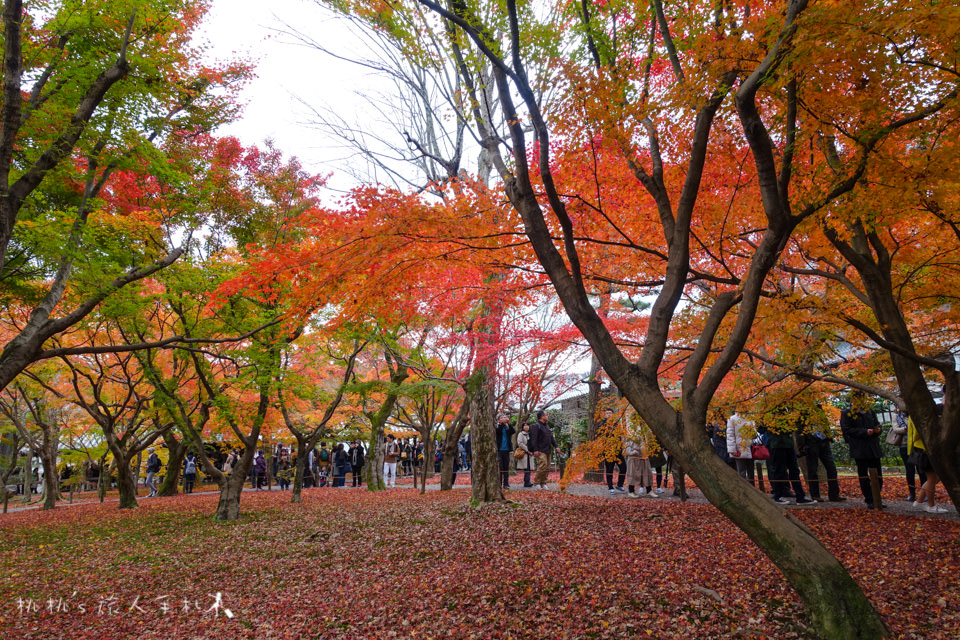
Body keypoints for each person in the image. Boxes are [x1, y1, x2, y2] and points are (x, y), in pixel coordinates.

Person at [840, 391, 885, 509]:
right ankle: (869, 499)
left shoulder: (869, 410)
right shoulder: (847, 413)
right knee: (864, 475)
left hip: (873, 446)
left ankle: (877, 497)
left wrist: (877, 430)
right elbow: (847, 430)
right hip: (859, 447)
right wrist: (864, 432)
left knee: (878, 474)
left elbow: (877, 424)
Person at [797, 404, 844, 502]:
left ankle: (834, 494)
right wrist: (802, 445)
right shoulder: (803, 411)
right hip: (811, 442)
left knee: (831, 468)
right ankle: (815, 495)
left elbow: (825, 423)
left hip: (824, 441)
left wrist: (829, 436)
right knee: (812, 470)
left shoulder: (819, 408)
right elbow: (800, 430)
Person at [766, 416, 815, 505]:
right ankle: (777, 496)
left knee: (794, 470)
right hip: (777, 445)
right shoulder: (769, 410)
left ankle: (800, 496)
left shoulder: (789, 409)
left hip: (789, 444)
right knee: (779, 471)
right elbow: (761, 428)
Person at [909, 413, 949, 513]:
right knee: (932, 478)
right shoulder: (918, 414)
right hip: (924, 449)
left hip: (925, 448)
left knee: (935, 477)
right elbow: (918, 433)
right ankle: (931, 505)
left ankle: (919, 501)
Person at [892, 410, 925, 502]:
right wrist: (904, 429)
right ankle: (912, 492)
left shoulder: (914, 413)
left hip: (916, 445)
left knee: (921, 469)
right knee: (909, 470)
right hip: (904, 445)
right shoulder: (897, 415)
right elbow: (895, 428)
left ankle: (924, 492)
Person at [528, 410, 559, 489]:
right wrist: (535, 449)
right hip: (540, 449)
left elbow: (551, 437)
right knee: (543, 465)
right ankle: (536, 483)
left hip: (548, 449)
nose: (547, 416)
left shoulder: (547, 426)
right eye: (546, 415)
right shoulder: (536, 426)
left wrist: (556, 446)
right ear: (542, 416)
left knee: (547, 467)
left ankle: (543, 482)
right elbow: (533, 439)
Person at [598, 409, 627, 494]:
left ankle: (620, 485)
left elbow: (619, 436)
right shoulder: (602, 424)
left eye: (610, 413)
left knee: (623, 467)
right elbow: (600, 437)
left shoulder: (616, 424)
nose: (609, 414)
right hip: (608, 451)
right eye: (607, 413)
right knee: (609, 469)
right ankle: (610, 487)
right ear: (605, 415)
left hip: (618, 451)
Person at [726, 411, 755, 485]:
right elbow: (730, 435)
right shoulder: (732, 419)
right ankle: (744, 491)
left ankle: (752, 490)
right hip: (738, 449)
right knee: (741, 472)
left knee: (751, 472)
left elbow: (754, 435)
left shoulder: (750, 418)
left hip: (749, 448)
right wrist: (732, 450)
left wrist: (752, 430)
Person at [624, 433, 656, 498]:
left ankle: (649, 490)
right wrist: (632, 452)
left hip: (644, 459)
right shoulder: (630, 440)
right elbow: (627, 451)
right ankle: (631, 491)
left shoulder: (645, 438)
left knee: (647, 475)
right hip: (634, 460)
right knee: (632, 475)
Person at [495, 414, 516, 489]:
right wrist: (501, 424)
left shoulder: (507, 427)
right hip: (499, 450)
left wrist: (509, 423)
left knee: (506, 467)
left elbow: (513, 431)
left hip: (507, 450)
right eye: (502, 418)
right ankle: (499, 483)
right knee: (500, 467)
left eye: (504, 417)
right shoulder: (497, 426)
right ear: (498, 420)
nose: (504, 418)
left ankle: (506, 483)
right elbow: (498, 432)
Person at [515, 422, 535, 488]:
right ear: (523, 427)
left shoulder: (530, 434)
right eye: (525, 426)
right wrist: (527, 450)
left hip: (530, 453)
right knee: (526, 468)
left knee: (529, 468)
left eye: (527, 425)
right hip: (524, 452)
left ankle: (528, 481)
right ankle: (527, 482)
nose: (526, 427)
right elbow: (520, 443)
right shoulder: (521, 434)